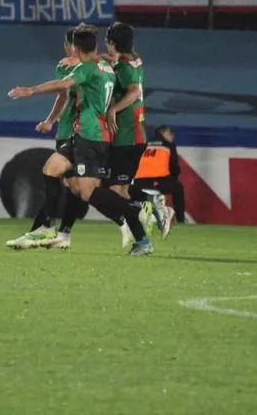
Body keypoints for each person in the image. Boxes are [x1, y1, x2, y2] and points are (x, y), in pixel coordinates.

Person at [8, 24, 153, 256]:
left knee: (88, 193)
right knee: (53, 170)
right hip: (91, 135)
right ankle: (48, 228)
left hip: (91, 136)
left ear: (75, 47)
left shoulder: (88, 69)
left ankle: (134, 220)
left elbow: (64, 85)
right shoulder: (106, 66)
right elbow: (109, 64)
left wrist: (30, 91)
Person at [6, 27, 82, 249]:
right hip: (73, 129)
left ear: (71, 45)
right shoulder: (80, 66)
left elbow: (64, 91)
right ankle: (62, 233)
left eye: (67, 45)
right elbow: (63, 96)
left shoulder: (80, 67)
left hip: (79, 131)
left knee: (61, 177)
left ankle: (46, 228)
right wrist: (51, 120)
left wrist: (30, 91)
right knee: (72, 184)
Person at [103, 22, 171, 244]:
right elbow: (118, 61)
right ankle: (150, 206)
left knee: (113, 190)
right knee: (118, 187)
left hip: (126, 136)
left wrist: (113, 108)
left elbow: (135, 91)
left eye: (107, 41)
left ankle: (150, 208)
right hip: (137, 134)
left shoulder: (123, 67)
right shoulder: (134, 59)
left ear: (112, 43)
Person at [133, 125, 185, 223]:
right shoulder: (169, 146)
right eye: (171, 134)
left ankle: (134, 216)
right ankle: (181, 219)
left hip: (138, 183)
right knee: (178, 188)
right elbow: (174, 168)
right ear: (164, 133)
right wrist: (173, 177)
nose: (173, 137)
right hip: (158, 182)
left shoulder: (145, 145)